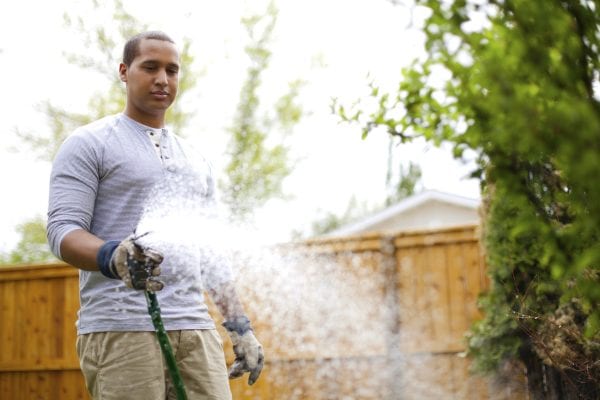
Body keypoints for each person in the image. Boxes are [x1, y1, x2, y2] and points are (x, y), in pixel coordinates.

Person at [47, 30, 264, 400]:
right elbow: (62, 231)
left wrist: (240, 327)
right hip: (120, 330)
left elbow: (210, 254)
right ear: (124, 71)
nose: (163, 79)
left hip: (196, 329)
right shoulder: (89, 143)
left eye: (172, 70)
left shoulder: (196, 160)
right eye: (150, 67)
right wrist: (112, 256)